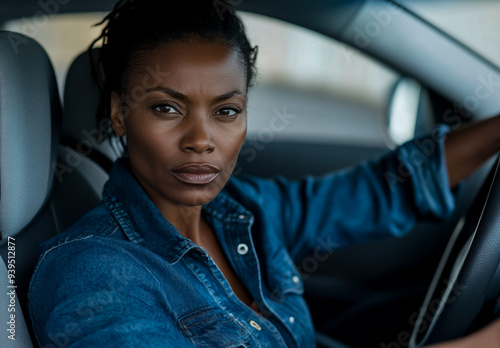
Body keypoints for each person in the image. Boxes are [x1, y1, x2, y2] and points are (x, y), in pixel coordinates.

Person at [28, 0, 500, 347]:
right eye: (167, 107)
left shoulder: (245, 210)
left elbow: (380, 190)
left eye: (227, 111)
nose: (201, 139)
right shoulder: (92, 273)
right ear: (118, 113)